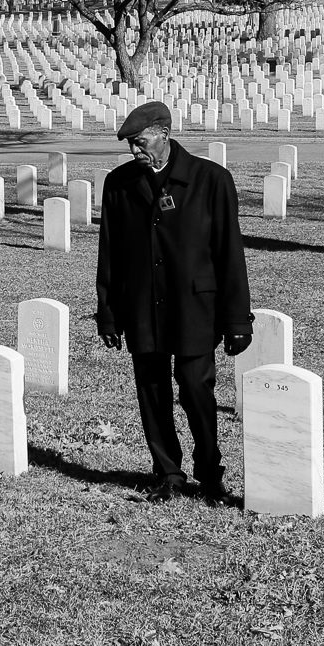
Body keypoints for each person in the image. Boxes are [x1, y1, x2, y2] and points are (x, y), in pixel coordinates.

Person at [95, 100, 252, 504]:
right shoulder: (119, 184)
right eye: (131, 143)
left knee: (196, 388)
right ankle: (168, 472)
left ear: (164, 133)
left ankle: (209, 471)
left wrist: (237, 318)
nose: (135, 150)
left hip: (193, 306)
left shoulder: (210, 179)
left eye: (141, 141)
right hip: (142, 304)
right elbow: (110, 252)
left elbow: (229, 253)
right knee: (152, 390)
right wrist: (109, 313)